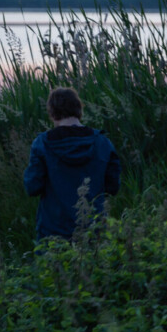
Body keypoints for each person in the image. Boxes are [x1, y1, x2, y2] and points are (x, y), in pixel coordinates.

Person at [23, 87, 121, 241]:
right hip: (95, 230)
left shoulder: (42, 144)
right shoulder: (102, 143)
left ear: (52, 113)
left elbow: (32, 187)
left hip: (54, 233)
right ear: (79, 109)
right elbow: (113, 187)